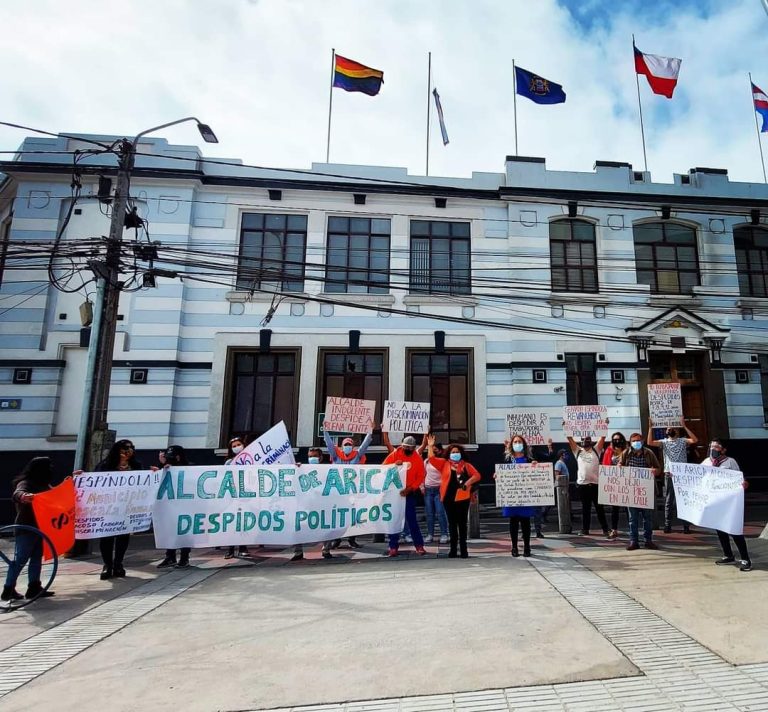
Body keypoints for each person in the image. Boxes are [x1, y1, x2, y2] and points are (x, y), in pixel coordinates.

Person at [2, 457, 56, 601]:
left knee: (36, 558)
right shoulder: (26, 483)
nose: (51, 469)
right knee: (21, 559)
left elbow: (58, 494)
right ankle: (8, 588)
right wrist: (24, 496)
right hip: (26, 528)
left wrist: (73, 480)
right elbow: (18, 493)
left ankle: (34, 587)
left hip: (41, 527)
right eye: (48, 466)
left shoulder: (45, 485)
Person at [95, 439, 144, 580]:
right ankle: (107, 564)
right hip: (108, 508)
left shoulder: (135, 466)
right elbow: (93, 481)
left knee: (123, 536)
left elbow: (145, 482)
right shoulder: (105, 465)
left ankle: (118, 563)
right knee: (106, 537)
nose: (127, 451)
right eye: (124, 448)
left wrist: (154, 473)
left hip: (126, 507)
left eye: (130, 448)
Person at [427, 435, 481, 558]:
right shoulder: (444, 464)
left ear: (461, 453)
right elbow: (431, 459)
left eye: (457, 452)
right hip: (448, 498)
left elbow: (477, 475)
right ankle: (452, 550)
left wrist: (467, 484)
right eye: (453, 452)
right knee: (452, 524)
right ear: (449, 454)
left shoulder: (466, 465)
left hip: (463, 498)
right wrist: (430, 446)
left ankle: (464, 550)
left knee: (462, 524)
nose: (455, 454)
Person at [323, 423, 374, 551]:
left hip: (353, 491)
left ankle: (352, 539)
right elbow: (329, 444)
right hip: (338, 491)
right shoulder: (335, 456)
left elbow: (365, 445)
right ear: (341, 446)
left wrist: (370, 431)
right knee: (337, 515)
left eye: (349, 445)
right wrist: (326, 431)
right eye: (345, 445)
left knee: (353, 516)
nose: (347, 447)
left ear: (353, 446)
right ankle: (337, 539)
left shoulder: (356, 455)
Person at [703, 439, 752, 572]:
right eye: (711, 446)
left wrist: (743, 484)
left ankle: (746, 559)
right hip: (716, 501)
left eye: (716, 447)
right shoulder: (707, 462)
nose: (713, 449)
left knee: (734, 530)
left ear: (724, 449)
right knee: (720, 530)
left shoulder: (730, 462)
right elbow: (697, 476)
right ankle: (728, 555)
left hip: (729, 502)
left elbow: (739, 478)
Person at [647, 417, 698, 534]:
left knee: (684, 500)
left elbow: (695, 440)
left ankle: (686, 526)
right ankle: (667, 524)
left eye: (672, 427)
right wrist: (650, 428)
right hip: (669, 474)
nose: (669, 429)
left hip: (682, 474)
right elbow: (650, 442)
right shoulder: (664, 442)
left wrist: (684, 426)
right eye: (668, 428)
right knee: (669, 500)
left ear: (677, 430)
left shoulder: (682, 440)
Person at [384, 434, 427, 556]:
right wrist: (393, 466)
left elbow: (420, 476)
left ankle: (419, 546)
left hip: (409, 493)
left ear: (414, 448)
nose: (407, 450)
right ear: (402, 446)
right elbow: (382, 468)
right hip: (395, 494)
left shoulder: (417, 458)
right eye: (405, 447)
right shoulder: (395, 454)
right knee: (394, 521)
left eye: (410, 448)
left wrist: (411, 488)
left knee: (412, 520)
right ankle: (393, 547)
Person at [619, 433, 662, 551]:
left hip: (646, 491)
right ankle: (634, 541)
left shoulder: (649, 453)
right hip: (631, 491)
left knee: (647, 518)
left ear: (642, 441)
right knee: (633, 519)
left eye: (638, 440)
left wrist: (654, 471)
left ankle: (648, 540)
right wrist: (619, 466)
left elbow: (659, 469)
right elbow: (619, 467)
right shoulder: (625, 454)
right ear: (630, 442)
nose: (636, 442)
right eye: (634, 441)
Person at [499, 434, 537, 557]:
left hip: (525, 497)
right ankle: (514, 547)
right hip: (512, 496)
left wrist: (537, 467)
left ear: (524, 444)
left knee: (526, 523)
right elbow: (501, 472)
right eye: (515, 442)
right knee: (513, 522)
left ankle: (527, 547)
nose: (517, 444)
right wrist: (497, 475)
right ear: (511, 445)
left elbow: (536, 476)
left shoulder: (529, 460)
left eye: (519, 441)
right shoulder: (508, 460)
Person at [157, 445, 192, 569]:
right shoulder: (166, 468)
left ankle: (184, 557)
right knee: (169, 530)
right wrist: (162, 467)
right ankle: (170, 556)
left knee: (185, 531)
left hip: (185, 506)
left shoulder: (189, 468)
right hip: (170, 506)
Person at [566, 433, 609, 537]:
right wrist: (566, 428)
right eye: (584, 439)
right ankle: (585, 529)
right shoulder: (577, 451)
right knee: (585, 509)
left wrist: (605, 425)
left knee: (600, 508)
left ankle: (605, 529)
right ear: (581, 441)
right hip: (583, 485)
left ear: (591, 441)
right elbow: (569, 438)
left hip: (595, 484)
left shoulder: (596, 450)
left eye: (588, 439)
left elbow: (602, 436)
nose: (586, 440)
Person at [290, 447, 325, 562]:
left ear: (320, 458)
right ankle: (298, 552)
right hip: (306, 506)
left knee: (330, 526)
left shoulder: (327, 470)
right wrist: (296, 469)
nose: (312, 458)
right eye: (310, 456)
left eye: (315, 456)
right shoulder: (302, 469)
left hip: (323, 506)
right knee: (298, 527)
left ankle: (326, 550)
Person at [223, 436, 249, 560]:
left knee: (244, 521)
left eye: (238, 445)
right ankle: (230, 549)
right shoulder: (228, 463)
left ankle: (243, 547)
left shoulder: (250, 459)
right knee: (233, 521)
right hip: (232, 495)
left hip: (247, 495)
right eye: (233, 446)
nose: (236, 447)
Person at [602, 432, 628, 539]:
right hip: (615, 483)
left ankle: (632, 528)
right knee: (615, 509)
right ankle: (614, 530)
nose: (617, 441)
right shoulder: (609, 450)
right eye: (614, 439)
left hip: (626, 482)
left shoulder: (627, 450)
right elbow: (605, 465)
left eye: (618, 439)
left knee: (628, 508)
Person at [422, 440, 449, 544]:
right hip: (428, 489)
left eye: (435, 450)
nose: (432, 452)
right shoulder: (426, 461)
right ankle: (430, 534)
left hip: (439, 489)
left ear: (440, 451)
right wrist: (422, 487)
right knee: (429, 514)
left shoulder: (443, 461)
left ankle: (444, 534)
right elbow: (423, 474)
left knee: (440, 512)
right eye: (431, 450)